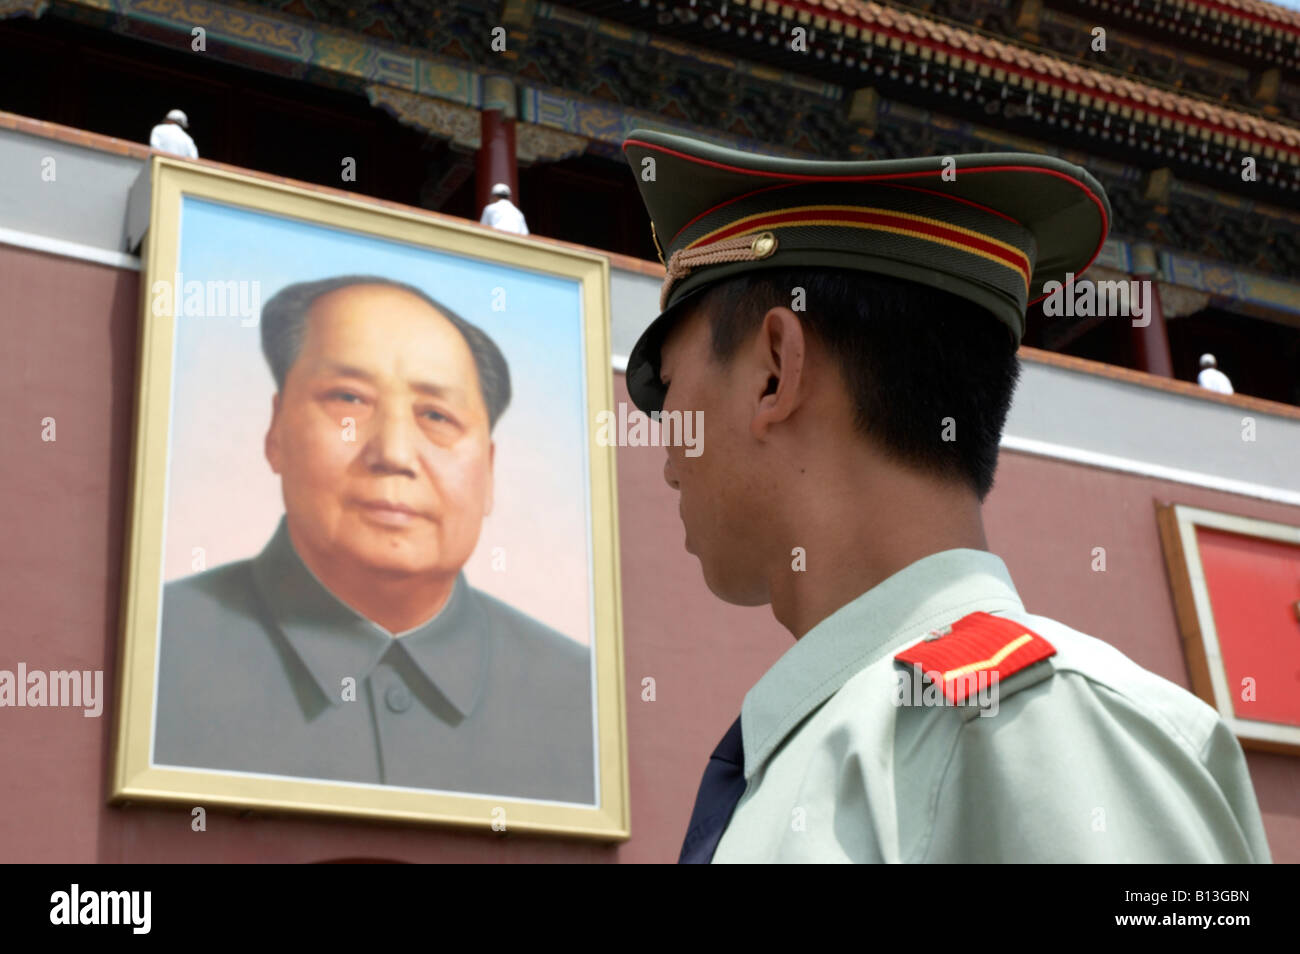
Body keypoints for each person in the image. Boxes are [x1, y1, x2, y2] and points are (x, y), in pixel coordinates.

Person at [620, 129, 1272, 863]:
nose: (667, 456)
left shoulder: (1016, 726)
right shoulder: (866, 742)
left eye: (666, 390)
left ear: (775, 370)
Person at [154, 276, 594, 804]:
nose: (394, 452)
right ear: (276, 430)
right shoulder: (157, 650)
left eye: (436, 415)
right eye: (349, 399)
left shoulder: (579, 697)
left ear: (490, 472)